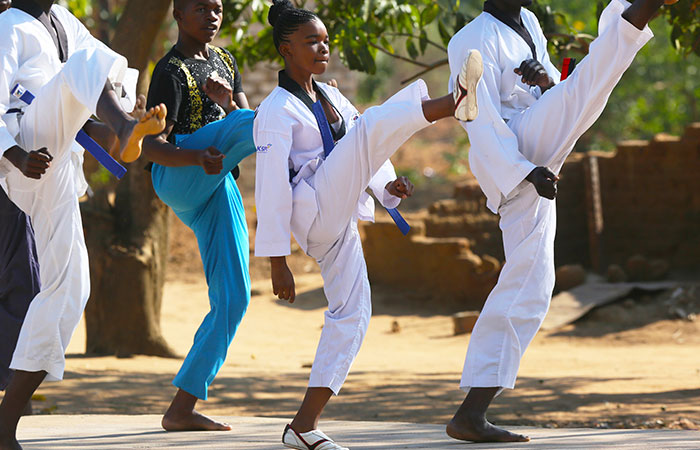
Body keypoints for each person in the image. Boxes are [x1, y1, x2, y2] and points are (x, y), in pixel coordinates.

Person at [445, 0, 679, 443]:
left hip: (540, 149)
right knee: (587, 84)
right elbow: (480, 120)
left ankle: (471, 413)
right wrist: (524, 171)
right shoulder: (469, 40)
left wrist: (545, 78)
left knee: (532, 284)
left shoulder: (530, 21)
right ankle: (638, 11)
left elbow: (560, 87)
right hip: (515, 151)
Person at [254, 1, 483, 448]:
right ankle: (452, 102)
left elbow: (360, 144)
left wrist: (388, 187)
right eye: (310, 42)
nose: (322, 48)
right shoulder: (275, 111)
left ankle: (302, 425)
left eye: (324, 41)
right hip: (313, 211)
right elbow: (271, 190)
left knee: (353, 314)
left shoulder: (332, 95)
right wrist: (276, 263)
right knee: (374, 122)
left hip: (337, 213)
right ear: (285, 50)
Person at [0, 0, 166, 448]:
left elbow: (105, 72)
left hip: (58, 161)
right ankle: (124, 128)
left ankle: (5, 420)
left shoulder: (63, 21)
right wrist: (13, 155)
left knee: (71, 290)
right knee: (84, 64)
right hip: (26, 147)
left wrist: (123, 103)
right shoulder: (8, 26)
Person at [142, 0, 256, 432]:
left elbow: (242, 117)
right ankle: (322, 133)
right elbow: (150, 147)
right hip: (179, 176)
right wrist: (194, 158)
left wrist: (228, 104)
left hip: (217, 180)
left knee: (234, 298)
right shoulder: (169, 71)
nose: (212, 16)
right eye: (201, 8)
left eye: (218, 8)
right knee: (259, 124)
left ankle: (182, 407)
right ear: (179, 14)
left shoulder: (226, 61)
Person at [0, 1, 41, 420]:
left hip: (8, 183)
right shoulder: (8, 31)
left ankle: (16, 398)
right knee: (22, 284)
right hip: (8, 174)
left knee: (24, 285)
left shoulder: (15, 33)